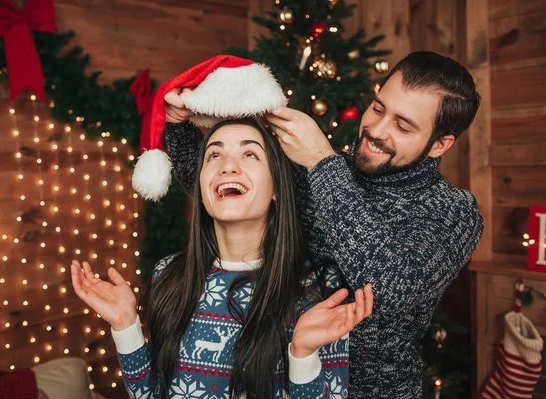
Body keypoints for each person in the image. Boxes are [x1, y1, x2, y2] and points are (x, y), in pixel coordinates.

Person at [162, 51, 485, 397]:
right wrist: (178, 127)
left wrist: (321, 162)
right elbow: (232, 188)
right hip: (285, 382)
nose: (376, 130)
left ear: (440, 144)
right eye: (378, 108)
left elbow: (390, 289)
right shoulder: (326, 169)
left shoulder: (453, 212)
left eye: (402, 126)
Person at [71, 118, 374, 398]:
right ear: (201, 186)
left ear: (277, 189)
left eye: (250, 154)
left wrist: (303, 354)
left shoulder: (321, 288)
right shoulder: (168, 274)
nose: (227, 167)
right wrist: (127, 326)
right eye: (214, 155)